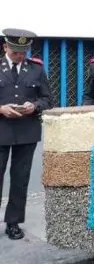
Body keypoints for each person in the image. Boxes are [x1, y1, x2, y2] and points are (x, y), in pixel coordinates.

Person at [0, 29, 51, 240]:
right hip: (1, 129)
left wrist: (35, 106)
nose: (20, 56)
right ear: (5, 47)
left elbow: (48, 99)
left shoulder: (36, 69)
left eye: (23, 52)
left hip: (26, 132)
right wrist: (1, 108)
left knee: (20, 179)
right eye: (15, 52)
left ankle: (13, 222)